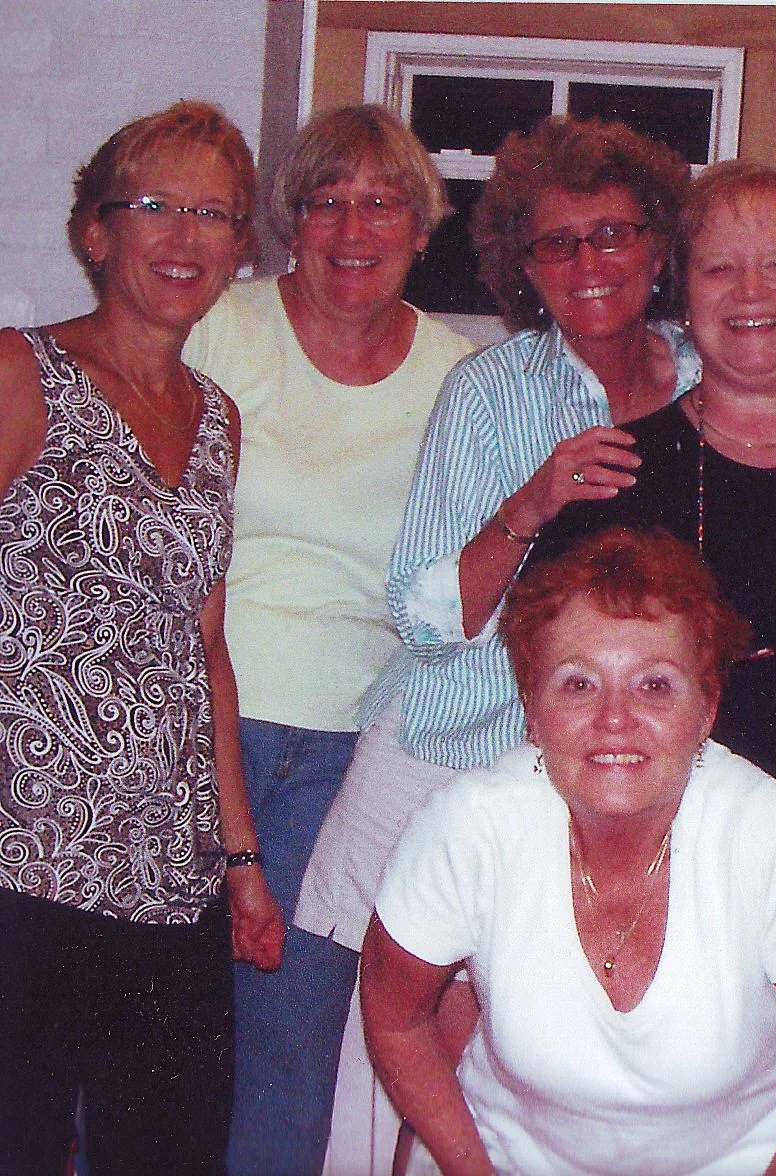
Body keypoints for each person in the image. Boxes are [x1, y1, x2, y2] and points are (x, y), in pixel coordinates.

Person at [293, 115, 699, 1170]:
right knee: (411, 1055)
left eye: (610, 234)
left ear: (657, 244)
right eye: (554, 243)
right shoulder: (489, 392)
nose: (587, 263)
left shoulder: (712, 382)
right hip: (453, 753)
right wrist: (533, 500)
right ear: (522, 263)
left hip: (614, 767)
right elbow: (424, 621)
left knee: (544, 1057)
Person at [178, 102, 477, 1174]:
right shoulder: (220, 327)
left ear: (420, 226)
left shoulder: (457, 378)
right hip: (182, 731)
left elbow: (460, 591)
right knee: (147, 1036)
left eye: (381, 202)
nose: (354, 228)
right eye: (326, 202)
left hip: (342, 756)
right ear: (289, 225)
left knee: (288, 1055)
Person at [361, 526, 776, 1175]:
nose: (614, 718)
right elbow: (394, 1018)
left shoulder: (768, 835)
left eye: (654, 685)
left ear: (705, 710)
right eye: (577, 684)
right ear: (531, 711)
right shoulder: (471, 826)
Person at [0, 100, 280, 1172]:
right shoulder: (21, 373)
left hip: (168, 878)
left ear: (238, 252)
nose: (183, 236)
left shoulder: (216, 417)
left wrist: (242, 861)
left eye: (213, 215)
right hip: (22, 861)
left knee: (167, 1151)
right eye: (154, 204)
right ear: (94, 232)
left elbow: (202, 646)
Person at [533, 160, 776, 820]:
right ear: (684, 300)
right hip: (657, 842)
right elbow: (554, 689)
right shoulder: (616, 472)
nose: (750, 292)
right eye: (719, 269)